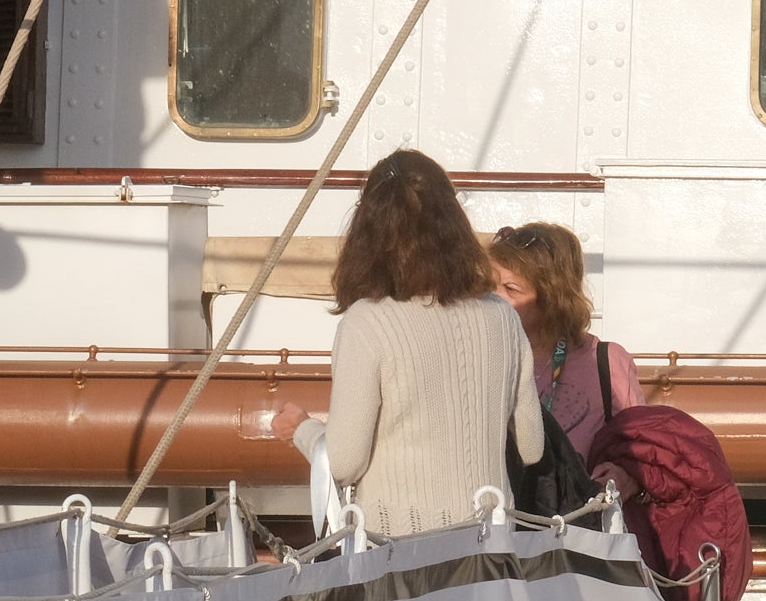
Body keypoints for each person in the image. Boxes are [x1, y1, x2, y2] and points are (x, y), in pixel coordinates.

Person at [272, 151, 542, 535]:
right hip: (493, 543)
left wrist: (302, 428)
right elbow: (532, 447)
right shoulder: (501, 314)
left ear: (369, 232)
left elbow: (346, 463)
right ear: (454, 224)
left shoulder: (367, 321)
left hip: (400, 550)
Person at [488, 220, 643, 461]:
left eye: (511, 289)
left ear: (553, 298)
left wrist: (623, 475)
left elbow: (639, 449)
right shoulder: (482, 357)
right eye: (489, 287)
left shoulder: (606, 362)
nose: (493, 300)